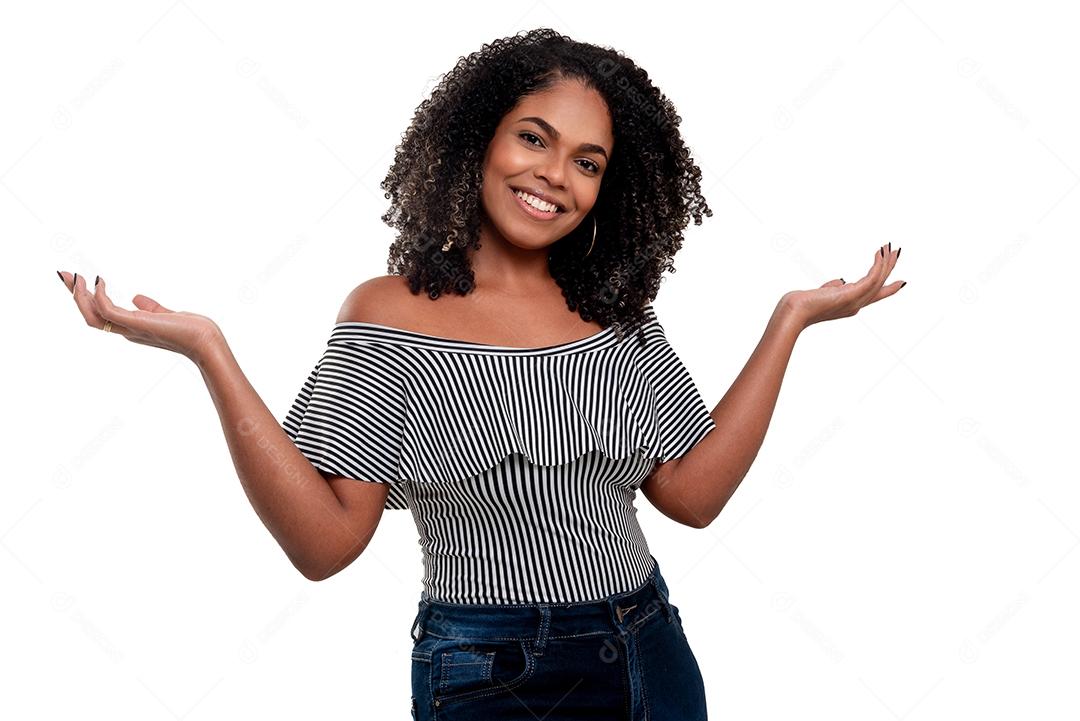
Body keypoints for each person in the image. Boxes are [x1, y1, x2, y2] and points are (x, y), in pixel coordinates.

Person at [57, 27, 904, 721]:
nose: (555, 175)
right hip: (488, 673)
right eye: (534, 137)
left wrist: (789, 321)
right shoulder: (388, 314)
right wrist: (209, 349)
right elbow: (323, 545)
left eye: (588, 161)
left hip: (649, 647)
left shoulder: (614, 313)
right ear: (479, 140)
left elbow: (692, 495)